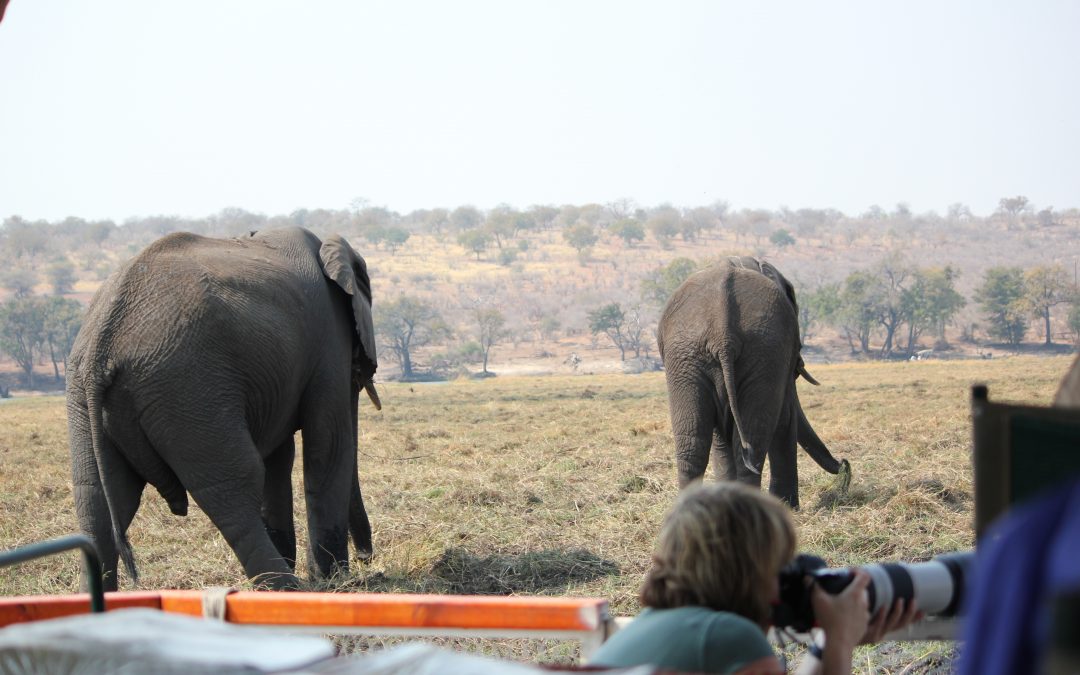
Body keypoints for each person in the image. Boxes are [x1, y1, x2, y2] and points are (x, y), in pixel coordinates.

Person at [590, 482, 922, 674]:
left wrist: (830, 643)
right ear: (753, 572)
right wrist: (839, 642)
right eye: (780, 566)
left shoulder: (657, 625)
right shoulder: (725, 635)